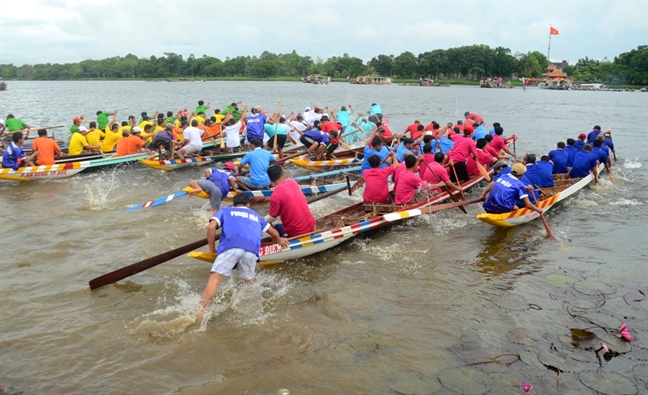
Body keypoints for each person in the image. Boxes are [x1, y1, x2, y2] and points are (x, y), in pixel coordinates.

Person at [196, 193, 288, 323]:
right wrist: (280, 240)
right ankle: (242, 311)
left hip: (231, 247)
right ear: (248, 205)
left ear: (234, 204)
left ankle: (200, 315)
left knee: (214, 280)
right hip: (252, 251)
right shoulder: (256, 215)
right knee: (247, 283)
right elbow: (273, 232)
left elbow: (211, 227)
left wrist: (211, 249)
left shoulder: (225, 211)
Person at [264, 165, 317, 237]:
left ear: (270, 179)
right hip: (311, 225)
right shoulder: (293, 182)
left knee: (276, 226)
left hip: (296, 232)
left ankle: (279, 239)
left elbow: (272, 218)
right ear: (282, 174)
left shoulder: (275, 195)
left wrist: (261, 219)